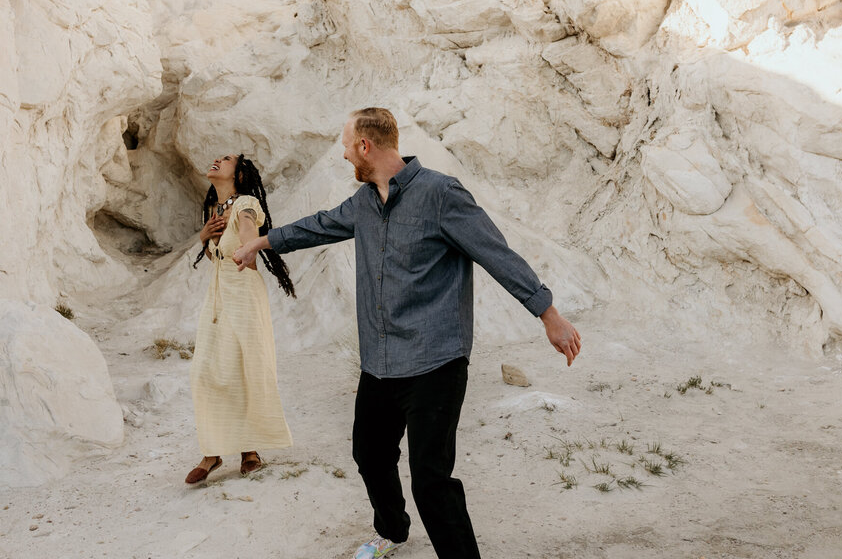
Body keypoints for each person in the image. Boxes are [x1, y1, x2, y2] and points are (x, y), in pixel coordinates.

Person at [233, 108, 582, 559]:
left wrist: (548, 313)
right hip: (381, 360)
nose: (342, 154)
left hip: (436, 358)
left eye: (345, 144)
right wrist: (261, 242)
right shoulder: (362, 203)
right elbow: (318, 225)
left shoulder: (441, 193)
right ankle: (393, 531)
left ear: (365, 146)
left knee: (431, 478)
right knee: (370, 455)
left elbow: (496, 253)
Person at [184, 153, 297, 484]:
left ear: (240, 175)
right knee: (206, 369)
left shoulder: (246, 203)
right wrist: (205, 237)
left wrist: (248, 243)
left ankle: (249, 449)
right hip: (218, 295)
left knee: (245, 366)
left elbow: (249, 232)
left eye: (227, 159)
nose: (216, 159)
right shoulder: (214, 211)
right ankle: (213, 451)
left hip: (244, 295)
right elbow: (214, 256)